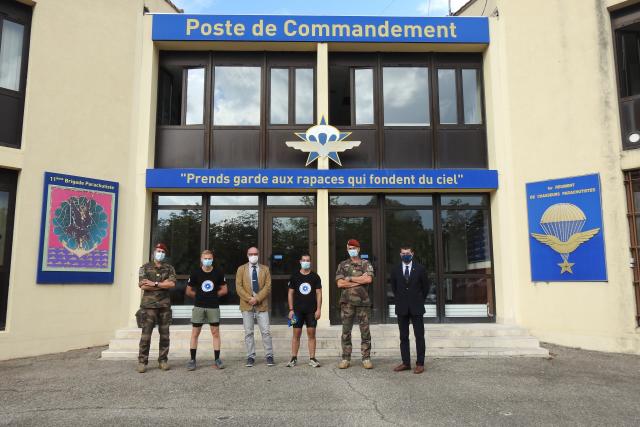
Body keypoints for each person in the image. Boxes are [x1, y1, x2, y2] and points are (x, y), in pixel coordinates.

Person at [185, 249, 228, 371]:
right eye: (205, 258)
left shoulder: (218, 272)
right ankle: (192, 360)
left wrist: (214, 296)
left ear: (213, 259)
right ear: (201, 259)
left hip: (213, 306)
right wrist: (199, 296)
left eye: (210, 258)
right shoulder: (195, 273)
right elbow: (188, 291)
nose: (207, 260)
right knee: (195, 333)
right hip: (199, 306)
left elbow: (224, 290)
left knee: (215, 333)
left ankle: (217, 359)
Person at [137, 243, 176, 373]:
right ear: (154, 252)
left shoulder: (169, 268)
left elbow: (171, 284)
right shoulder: (145, 267)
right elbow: (143, 286)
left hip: (164, 306)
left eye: (162, 251)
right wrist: (162, 285)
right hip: (149, 307)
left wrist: (154, 283)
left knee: (165, 335)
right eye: (158, 251)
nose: (160, 253)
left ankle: (163, 360)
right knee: (146, 336)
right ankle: (142, 362)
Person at [335, 239, 374, 369]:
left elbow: (368, 279)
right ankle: (346, 358)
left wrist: (350, 278)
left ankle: (366, 358)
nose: (351, 250)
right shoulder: (343, 264)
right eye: (349, 248)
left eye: (353, 247)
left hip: (363, 303)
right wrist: (360, 281)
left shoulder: (365, 263)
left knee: (365, 331)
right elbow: (340, 283)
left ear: (358, 249)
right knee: (346, 331)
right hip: (347, 303)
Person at [390, 246, 429, 374]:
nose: (405, 255)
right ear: (400, 254)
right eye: (403, 253)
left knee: (419, 336)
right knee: (403, 337)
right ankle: (406, 363)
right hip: (402, 307)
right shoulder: (395, 269)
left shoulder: (420, 269)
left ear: (412, 253)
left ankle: (420, 363)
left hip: (416, 307)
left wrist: (418, 300)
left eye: (408, 253)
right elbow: (394, 288)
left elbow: (425, 288)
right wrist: (403, 299)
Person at [235, 247, 274, 367]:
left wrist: (256, 298)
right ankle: (250, 356)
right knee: (248, 332)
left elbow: (268, 287)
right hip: (246, 305)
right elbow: (238, 287)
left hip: (261, 305)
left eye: (255, 253)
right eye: (251, 254)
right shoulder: (241, 269)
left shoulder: (265, 269)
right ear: (247, 255)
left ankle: (269, 356)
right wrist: (249, 299)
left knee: (266, 332)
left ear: (258, 254)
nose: (253, 255)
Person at [286, 254, 322, 368]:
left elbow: (319, 293)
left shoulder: (315, 277)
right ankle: (293, 358)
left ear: (310, 262)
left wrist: (319, 309)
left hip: (311, 311)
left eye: (308, 260)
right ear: (300, 261)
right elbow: (290, 293)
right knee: (296, 335)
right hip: (297, 311)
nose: (306, 262)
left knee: (312, 335)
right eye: (304, 260)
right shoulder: (295, 276)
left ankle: (312, 358)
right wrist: (291, 310)